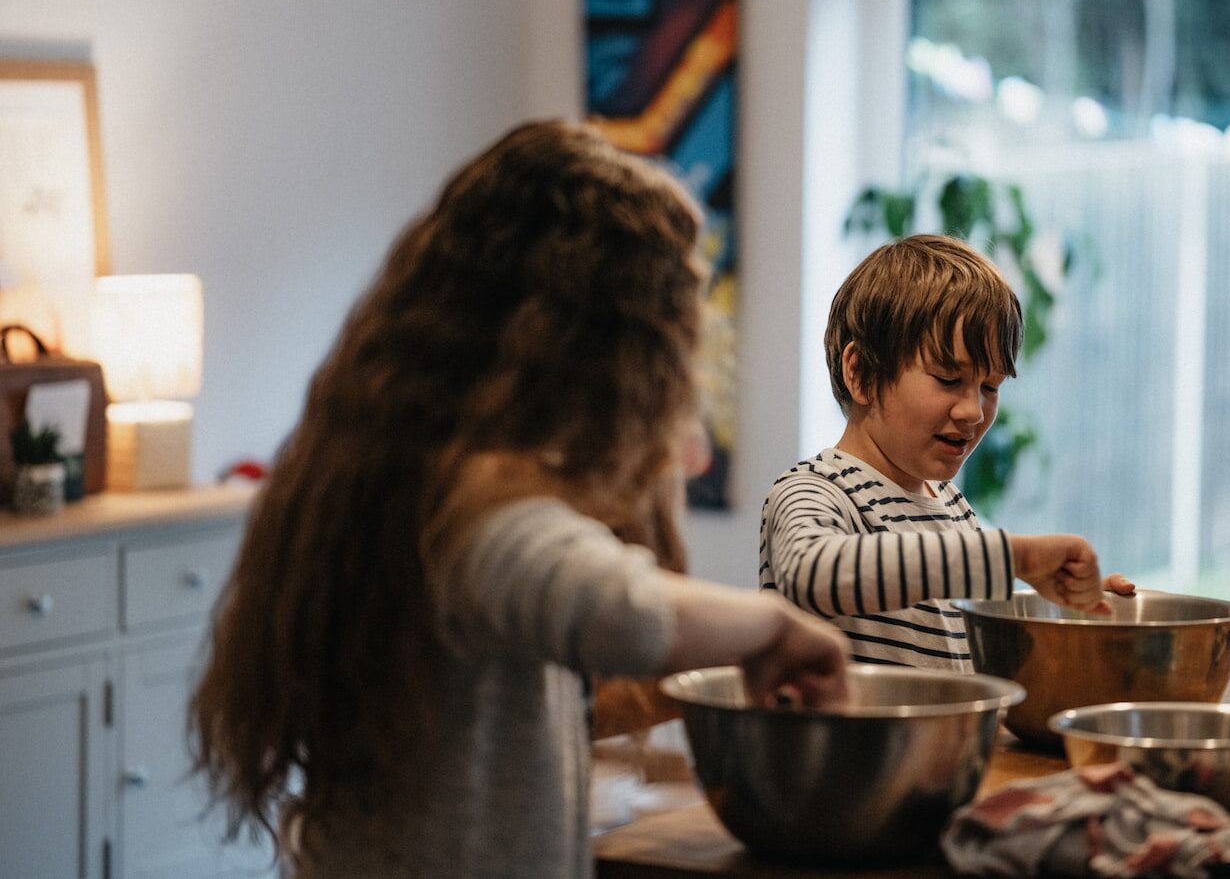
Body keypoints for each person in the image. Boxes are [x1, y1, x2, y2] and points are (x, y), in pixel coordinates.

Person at [190, 120, 850, 879]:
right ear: (594, 348)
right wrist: (774, 625)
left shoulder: (393, 463)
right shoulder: (473, 507)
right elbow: (618, 609)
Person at [760, 233, 1133, 670]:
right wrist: (1015, 556)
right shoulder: (815, 491)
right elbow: (811, 573)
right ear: (860, 373)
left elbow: (959, 618)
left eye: (990, 387)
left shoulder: (952, 505)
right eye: (948, 379)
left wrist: (1064, 605)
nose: (974, 410)